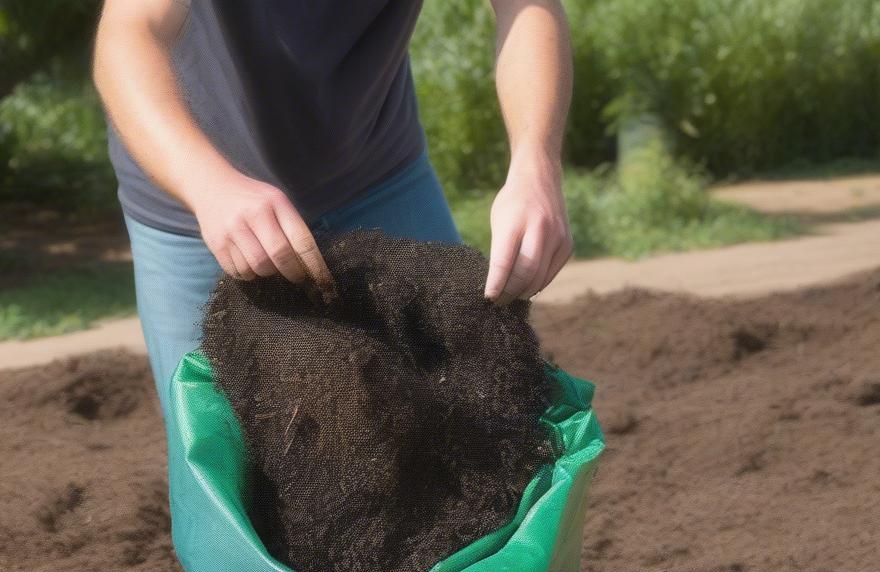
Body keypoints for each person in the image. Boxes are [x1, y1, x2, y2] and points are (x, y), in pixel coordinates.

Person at [93, 0, 574, 417]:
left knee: (481, 404)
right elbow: (130, 33)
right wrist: (207, 184)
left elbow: (526, 7)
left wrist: (537, 164)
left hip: (378, 175)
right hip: (198, 203)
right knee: (224, 468)